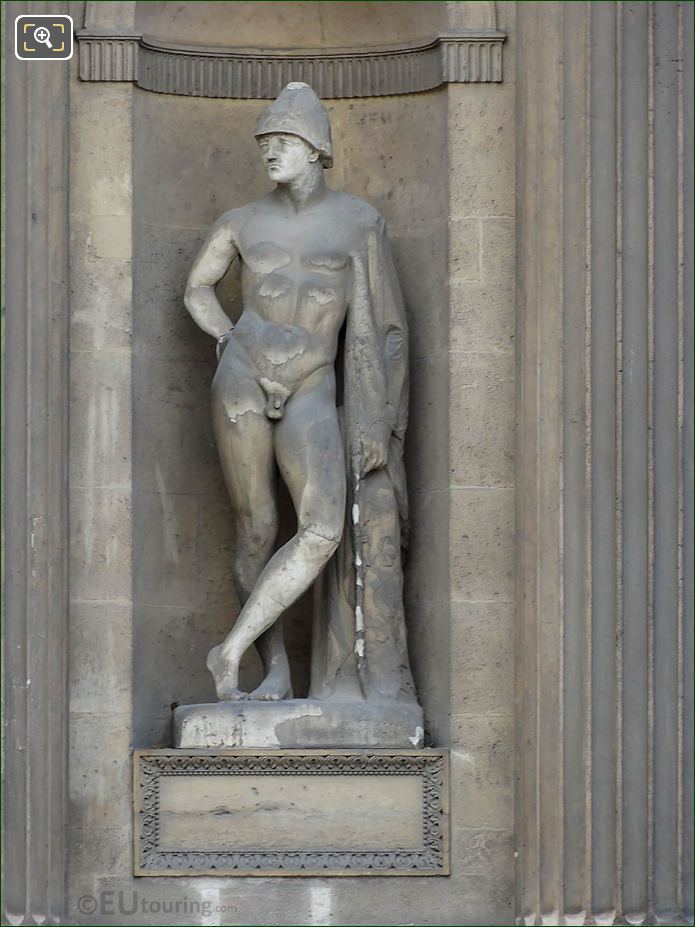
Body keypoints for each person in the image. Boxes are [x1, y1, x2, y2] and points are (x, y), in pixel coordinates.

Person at [184, 83, 417, 707]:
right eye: (264, 143)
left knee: (321, 526)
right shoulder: (240, 221)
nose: (270, 152)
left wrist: (379, 411)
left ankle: (229, 647)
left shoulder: (357, 222)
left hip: (313, 384)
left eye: (282, 142)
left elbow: (384, 325)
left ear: (315, 149)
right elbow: (197, 290)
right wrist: (228, 335)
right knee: (256, 528)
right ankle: (275, 672)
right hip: (242, 373)